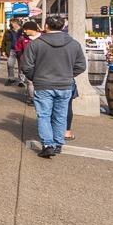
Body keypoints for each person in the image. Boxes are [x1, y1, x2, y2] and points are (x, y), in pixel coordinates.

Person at [20, 15, 87, 158]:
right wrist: (68, 75)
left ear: (46, 26)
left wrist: (36, 77)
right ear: (62, 27)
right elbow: (81, 66)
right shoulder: (74, 44)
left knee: (44, 115)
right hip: (65, 85)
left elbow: (26, 66)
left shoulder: (36, 44)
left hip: (43, 84)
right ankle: (58, 144)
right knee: (60, 116)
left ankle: (48, 144)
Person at [2, 19, 23, 85]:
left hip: (21, 50)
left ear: (16, 23)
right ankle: (11, 79)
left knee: (21, 66)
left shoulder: (22, 31)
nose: (11, 25)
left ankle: (21, 80)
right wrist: (3, 50)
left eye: (12, 23)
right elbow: (4, 41)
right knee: (10, 64)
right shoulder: (8, 31)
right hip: (11, 50)